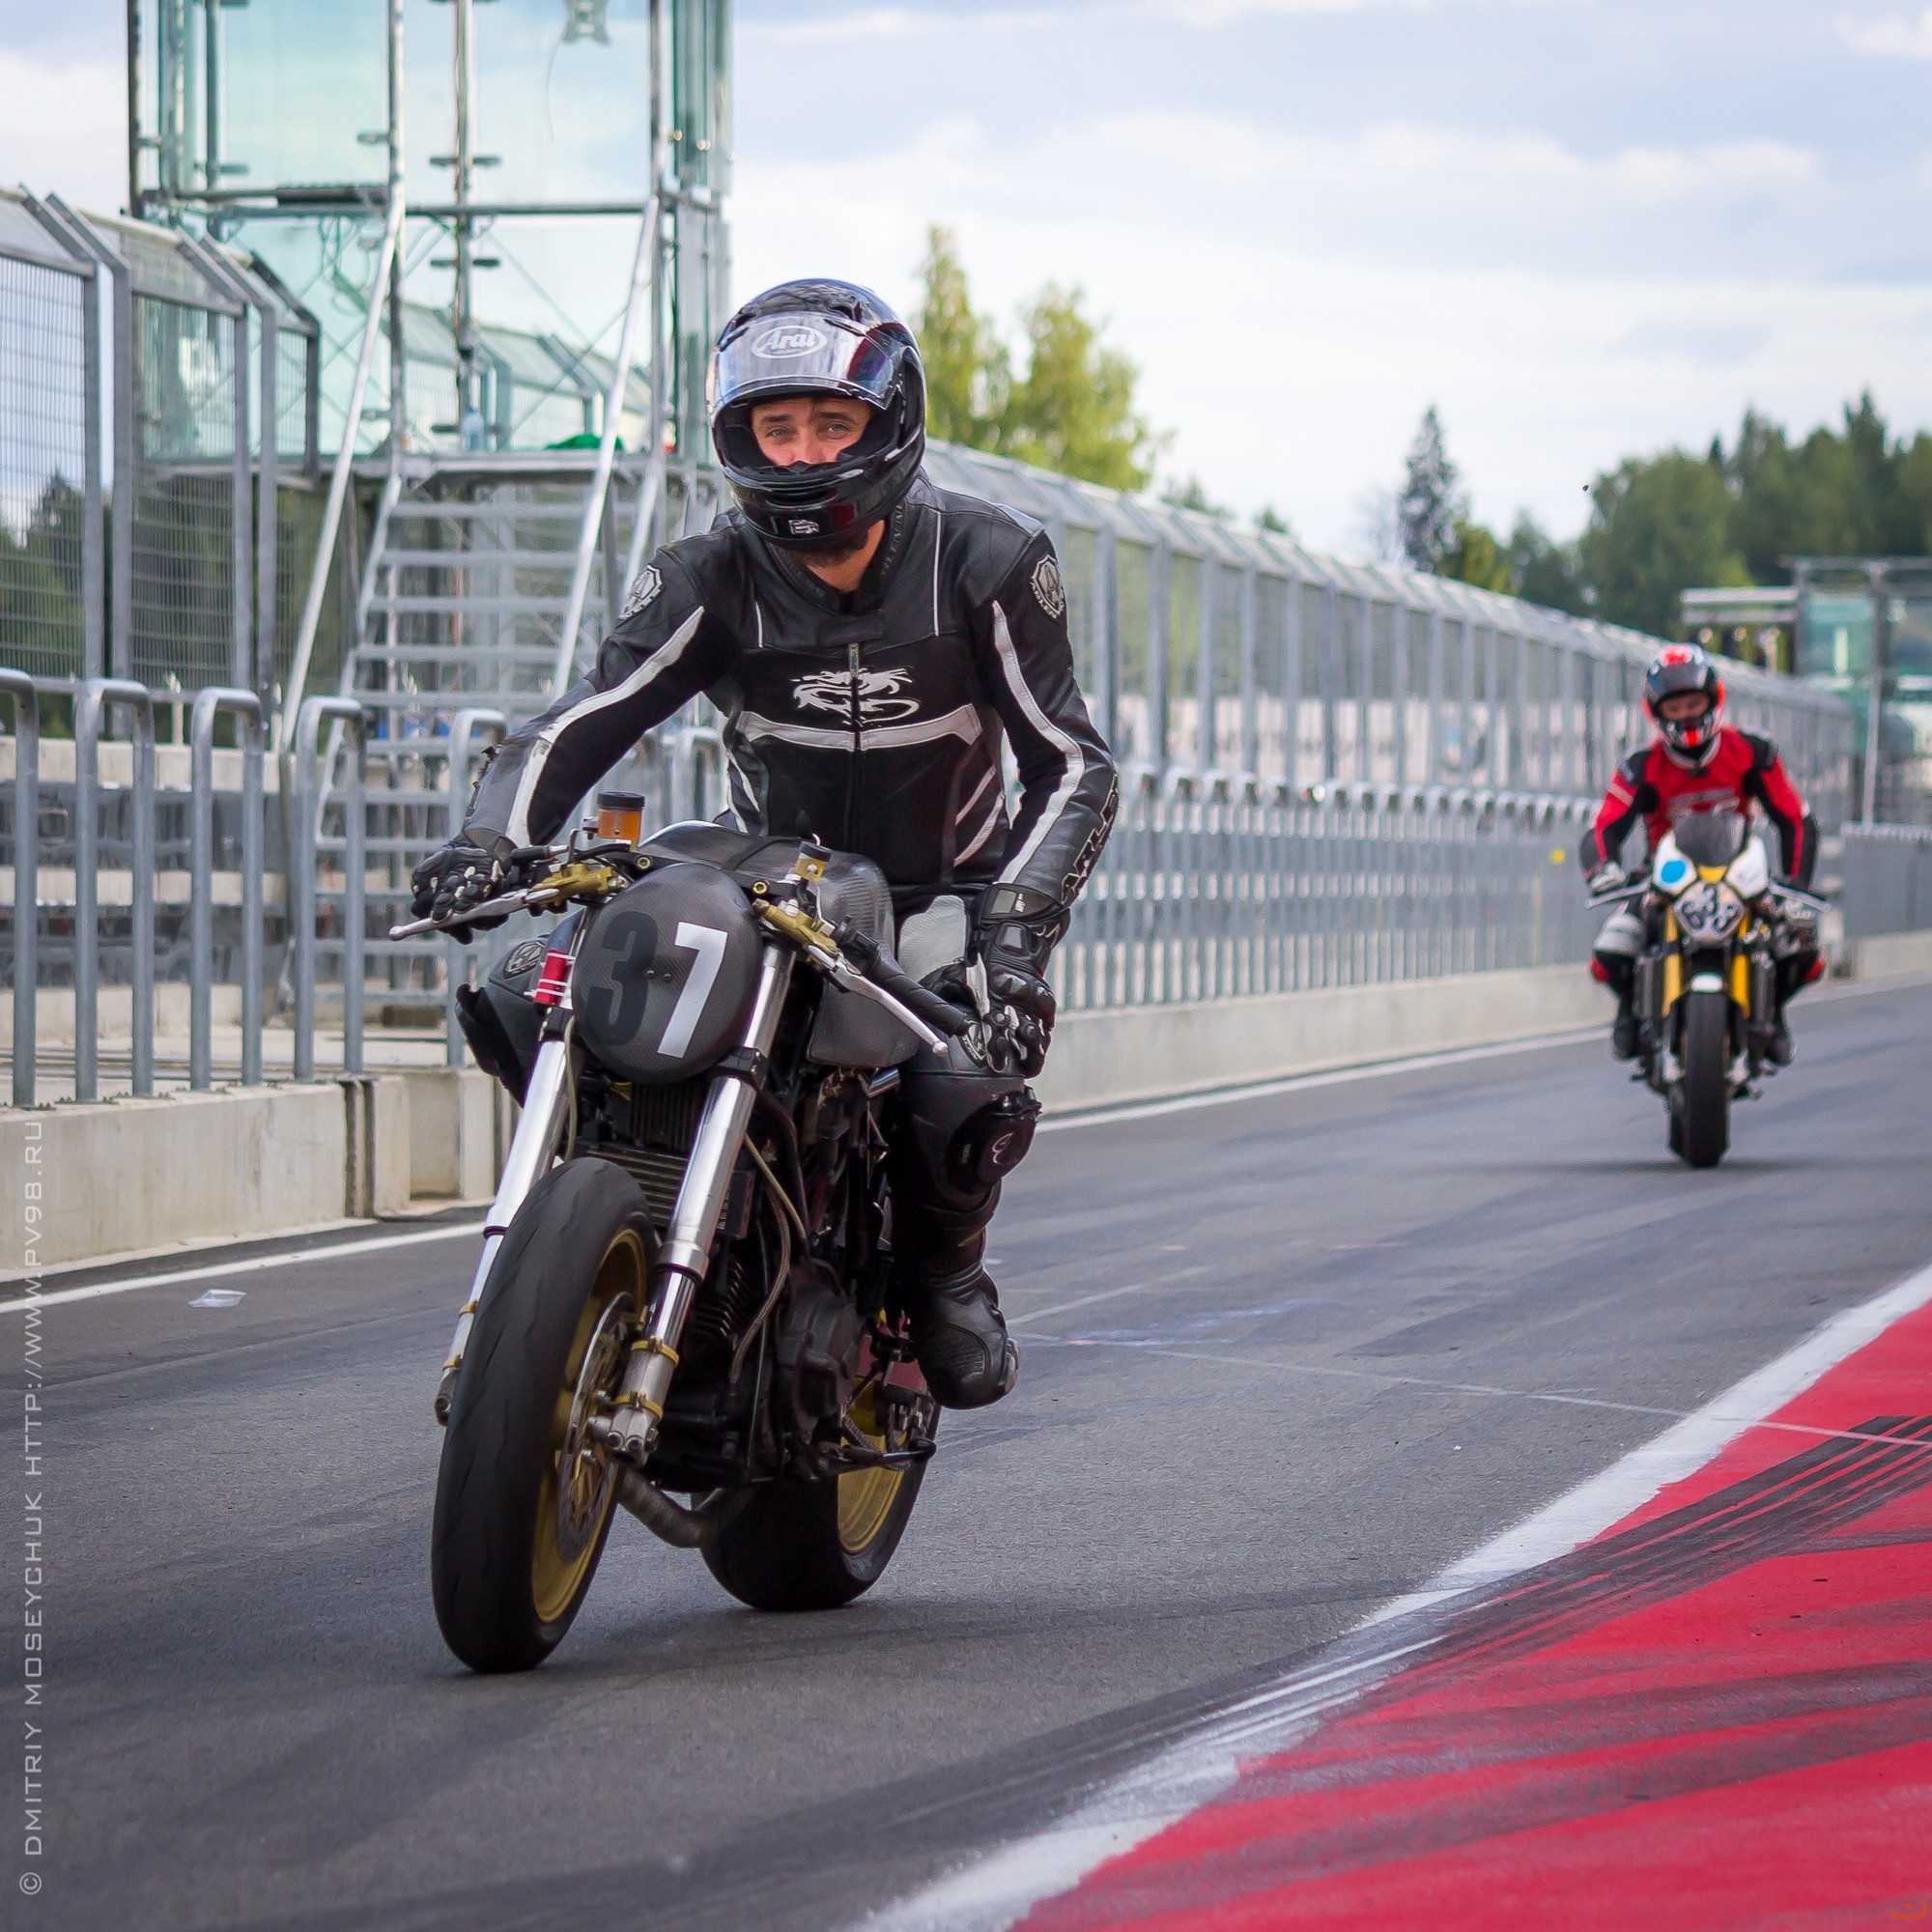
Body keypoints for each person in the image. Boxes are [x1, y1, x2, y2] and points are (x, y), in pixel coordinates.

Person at [411, 278, 1118, 1409]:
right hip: (775, 877)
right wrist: (489, 837)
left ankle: (944, 1275)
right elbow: (585, 716)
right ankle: (608, 1217)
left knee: (962, 1073)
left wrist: (1016, 936)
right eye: (775, 426)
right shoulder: (706, 573)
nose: (800, 453)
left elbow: (1074, 764)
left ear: (889, 423)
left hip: (940, 896)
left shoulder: (986, 559)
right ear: (738, 438)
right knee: (519, 991)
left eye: (830, 423)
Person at [1579, 642, 1819, 1065]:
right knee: (1609, 951)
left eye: (1694, 703)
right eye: (1675, 708)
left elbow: (1794, 819)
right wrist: (1603, 868)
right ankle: (1630, 1010)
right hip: (1666, 879)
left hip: (1740, 874)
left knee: (1802, 949)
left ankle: (1773, 1014)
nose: (1686, 715)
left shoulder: (1753, 750)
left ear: (1714, 699)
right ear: (1656, 712)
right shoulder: (1640, 765)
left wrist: (1797, 884)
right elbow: (1604, 827)